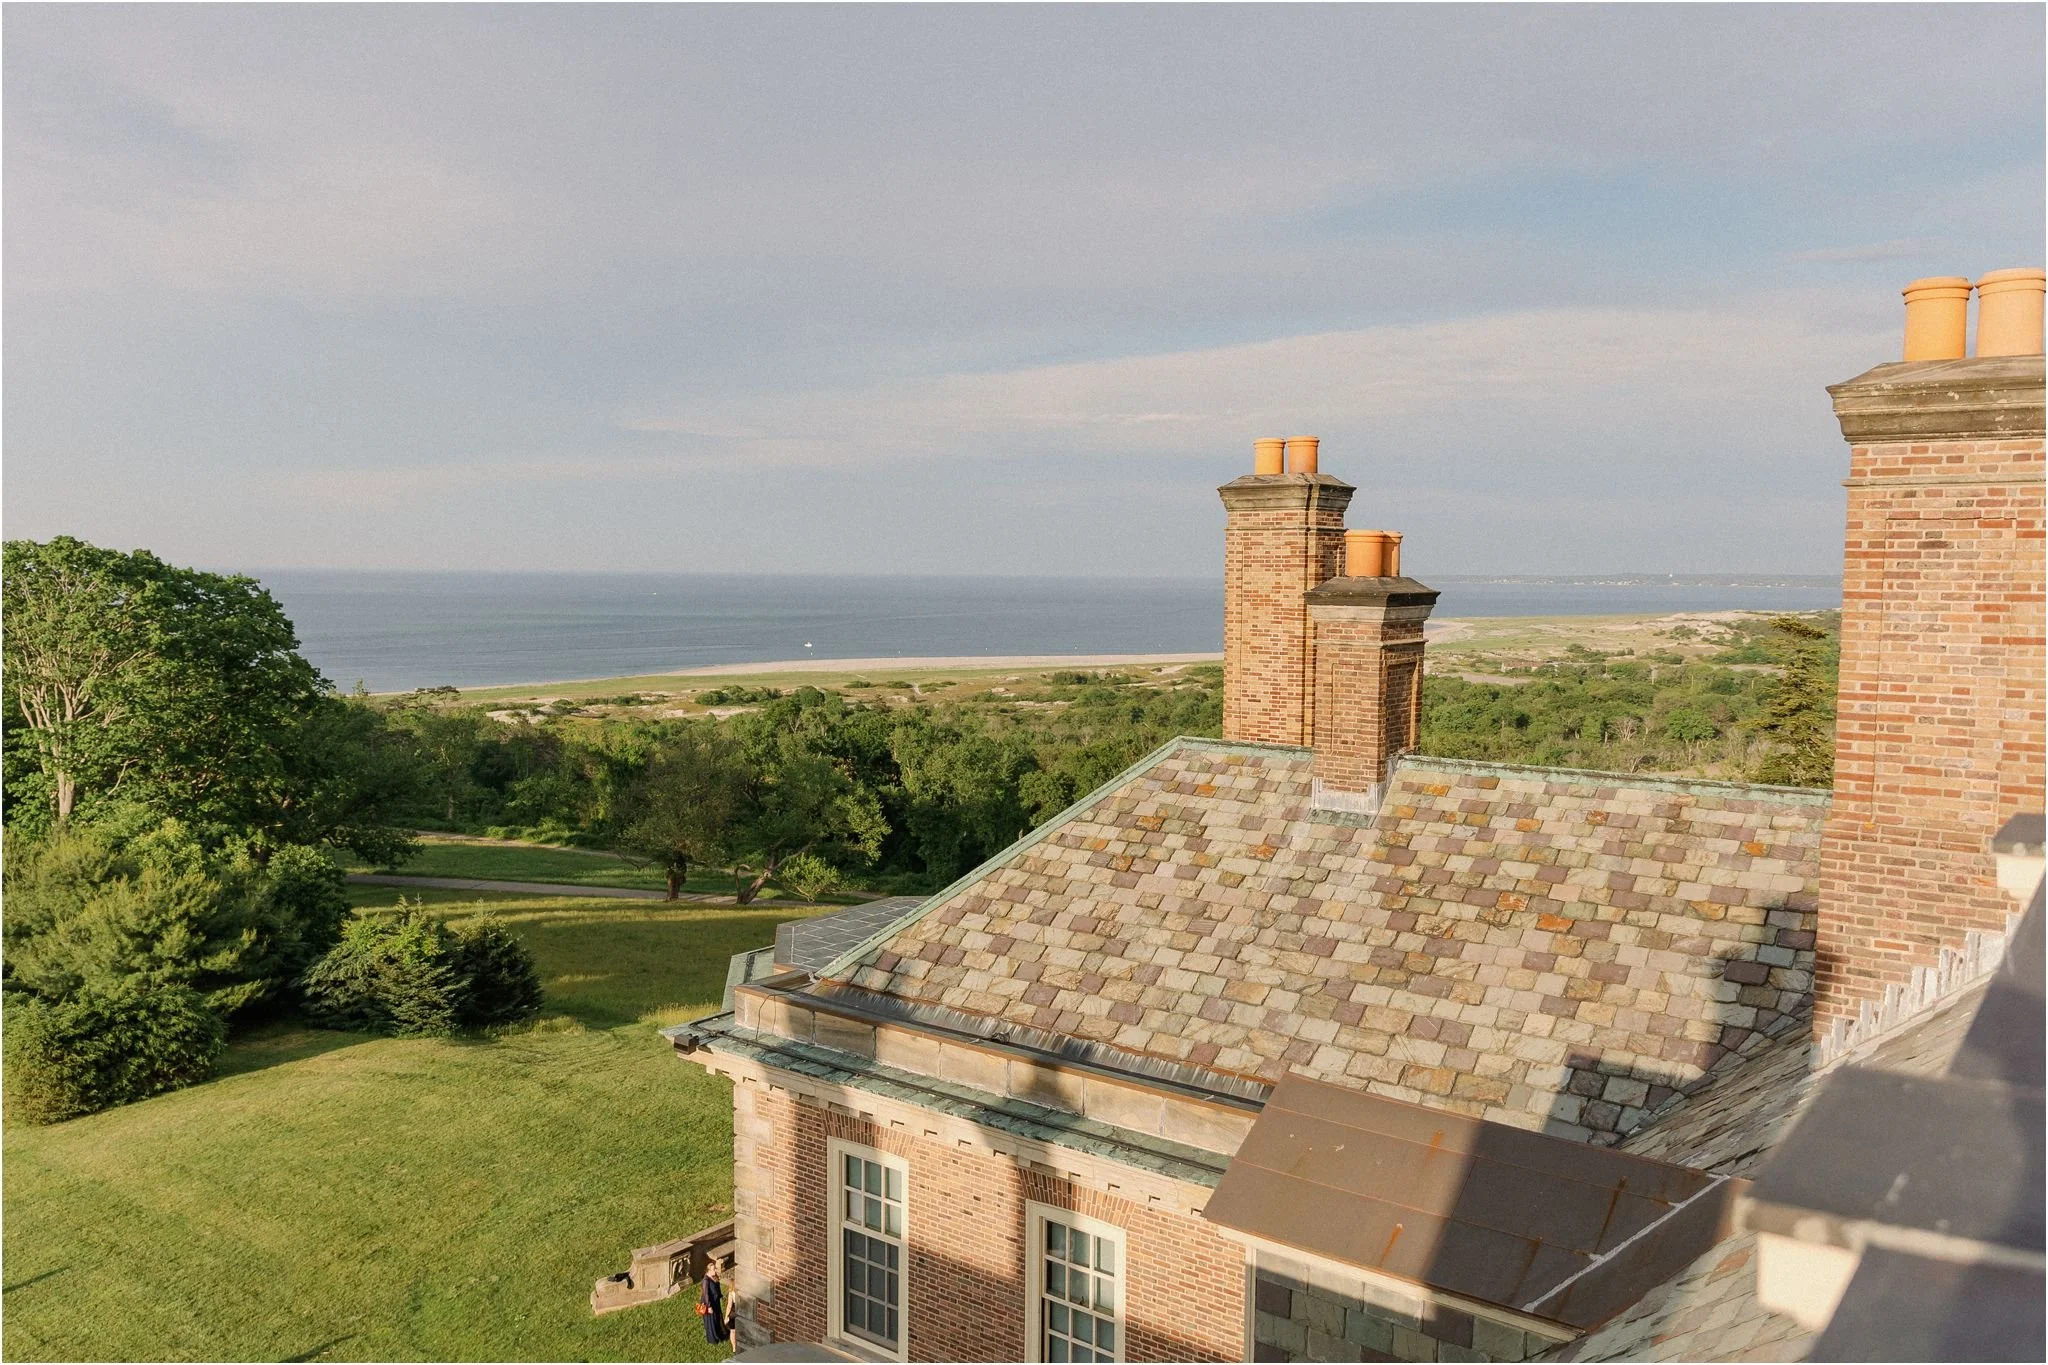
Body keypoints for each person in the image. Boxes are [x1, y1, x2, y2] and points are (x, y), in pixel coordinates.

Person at [697, 1259, 734, 1350]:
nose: (715, 1271)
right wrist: (709, 1306)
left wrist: (720, 1296)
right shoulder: (706, 1280)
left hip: (716, 1302)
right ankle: (713, 1338)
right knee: (712, 1320)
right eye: (713, 1269)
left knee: (718, 1317)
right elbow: (706, 1294)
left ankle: (721, 1333)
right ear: (708, 1271)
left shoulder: (714, 1276)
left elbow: (717, 1288)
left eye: (715, 1269)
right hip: (709, 1303)